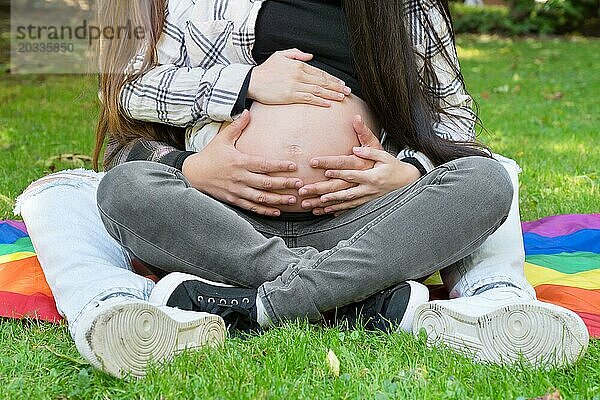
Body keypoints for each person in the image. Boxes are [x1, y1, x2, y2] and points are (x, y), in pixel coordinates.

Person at [15, 0, 588, 378]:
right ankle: (361, 301)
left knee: (487, 180)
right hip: (224, 220)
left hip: (364, 220)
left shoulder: (406, 7)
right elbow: (126, 89)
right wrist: (237, 93)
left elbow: (454, 120)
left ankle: (259, 306)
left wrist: (406, 172)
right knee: (126, 187)